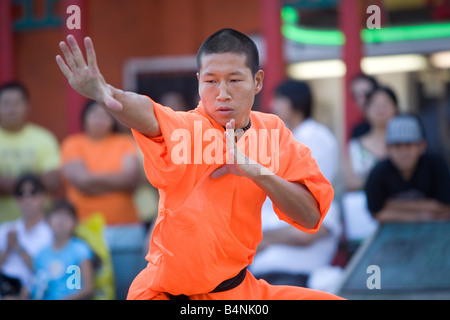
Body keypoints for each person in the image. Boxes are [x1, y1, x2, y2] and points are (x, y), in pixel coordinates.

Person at [56, 28, 343, 300]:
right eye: (211, 81)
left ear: (257, 81)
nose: (222, 93)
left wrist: (258, 172)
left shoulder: (272, 133)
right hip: (168, 293)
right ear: (198, 81)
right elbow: (148, 113)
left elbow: (310, 216)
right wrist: (106, 94)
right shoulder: (186, 129)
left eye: (234, 79)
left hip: (239, 292)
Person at [250, 80, 342, 293]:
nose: (274, 106)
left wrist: (264, 239)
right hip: (259, 272)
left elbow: (303, 232)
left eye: (280, 99)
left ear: (295, 102)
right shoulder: (285, 136)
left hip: (293, 277)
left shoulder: (315, 135)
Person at [60, 100, 146, 299]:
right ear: (84, 118)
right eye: (94, 114)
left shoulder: (124, 142)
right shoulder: (73, 143)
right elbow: (80, 182)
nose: (100, 119)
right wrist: (115, 179)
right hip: (84, 230)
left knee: (129, 289)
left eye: (105, 114)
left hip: (126, 228)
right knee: (87, 289)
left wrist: (92, 179)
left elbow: (130, 179)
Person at [365, 114, 450, 222]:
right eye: (397, 145)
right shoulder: (378, 172)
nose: (403, 152)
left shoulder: (436, 165)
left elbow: (447, 207)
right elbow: (376, 213)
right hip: (393, 233)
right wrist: (420, 216)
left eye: (409, 145)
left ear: (422, 146)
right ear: (387, 148)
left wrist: (392, 205)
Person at [342, 86, 399, 246]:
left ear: (395, 109)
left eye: (386, 104)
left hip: (401, 217)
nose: (380, 110)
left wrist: (368, 179)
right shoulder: (355, 146)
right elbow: (350, 184)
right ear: (366, 110)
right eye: (375, 105)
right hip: (364, 220)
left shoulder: (406, 146)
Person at [0, 82, 61, 223]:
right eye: (6, 103)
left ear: (27, 107)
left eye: (17, 103)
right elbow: (45, 180)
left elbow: (52, 181)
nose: (12, 108)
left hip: (41, 227)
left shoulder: (44, 138)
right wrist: (35, 181)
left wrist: (7, 183)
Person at [0, 174, 53, 299]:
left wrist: (18, 247)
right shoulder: (6, 228)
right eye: (21, 194)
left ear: (43, 196)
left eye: (33, 193)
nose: (27, 198)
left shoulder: (51, 232)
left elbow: (49, 270)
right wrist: (7, 249)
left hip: (35, 293)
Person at [32, 199, 94, 300]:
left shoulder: (80, 250)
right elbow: (37, 285)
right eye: (57, 215)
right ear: (48, 221)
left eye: (67, 216)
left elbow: (88, 289)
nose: (61, 220)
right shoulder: (41, 254)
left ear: (75, 223)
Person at [350, 74, 379, 138]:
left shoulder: (395, 125)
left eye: (367, 94)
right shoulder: (358, 131)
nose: (362, 100)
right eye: (357, 96)